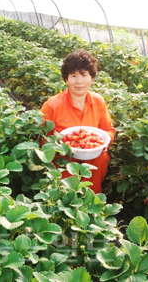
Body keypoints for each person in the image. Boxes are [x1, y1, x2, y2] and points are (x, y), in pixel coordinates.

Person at [40, 49, 116, 193]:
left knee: (101, 158)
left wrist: (104, 143)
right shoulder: (52, 105)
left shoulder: (98, 102)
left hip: (93, 156)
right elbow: (42, 138)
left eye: (83, 75)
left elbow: (108, 130)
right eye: (73, 76)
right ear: (66, 79)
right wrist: (59, 147)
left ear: (92, 78)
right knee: (67, 192)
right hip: (63, 158)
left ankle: (92, 198)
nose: (79, 81)